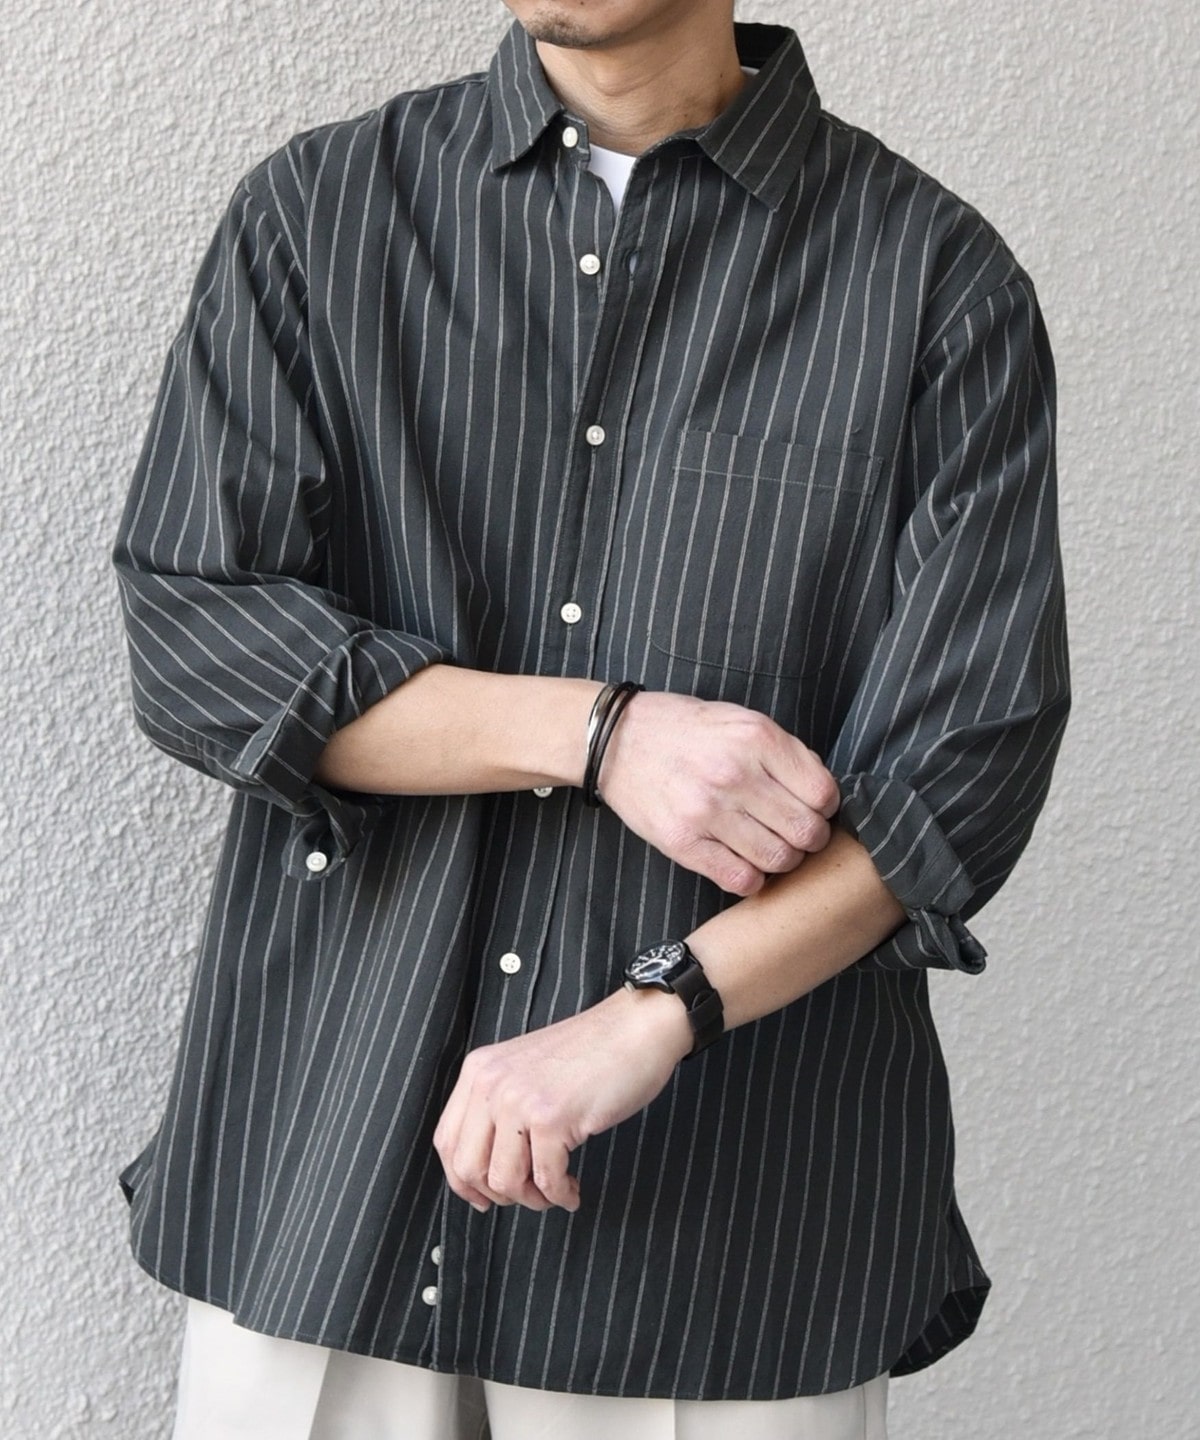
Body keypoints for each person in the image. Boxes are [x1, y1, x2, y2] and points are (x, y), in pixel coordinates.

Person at [111, 0, 1070, 1436]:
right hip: (331, 1154)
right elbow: (198, 633)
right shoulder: (318, 214)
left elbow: (959, 771)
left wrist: (655, 1012)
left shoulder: (934, 279)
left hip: (723, 1214)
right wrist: (602, 734)